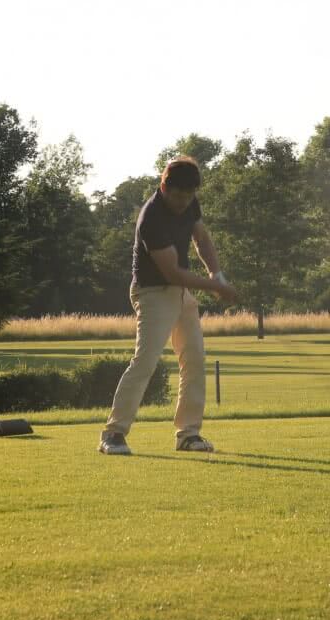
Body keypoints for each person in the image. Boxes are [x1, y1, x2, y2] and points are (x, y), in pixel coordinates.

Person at [99, 157, 237, 456]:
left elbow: (201, 237)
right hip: (153, 292)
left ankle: (188, 434)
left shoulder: (190, 203)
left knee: (195, 359)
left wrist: (218, 275)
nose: (183, 202)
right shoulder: (152, 218)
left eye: (189, 196)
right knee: (146, 361)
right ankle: (113, 433)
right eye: (177, 195)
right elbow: (172, 272)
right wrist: (216, 287)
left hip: (181, 293)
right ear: (164, 187)